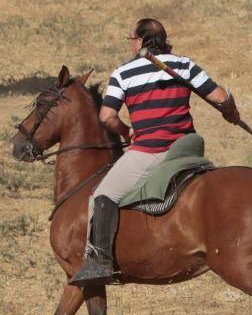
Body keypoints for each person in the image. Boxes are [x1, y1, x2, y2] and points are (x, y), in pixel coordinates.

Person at [69, 18, 241, 286]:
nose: (131, 43)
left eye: (131, 39)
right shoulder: (183, 64)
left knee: (102, 195)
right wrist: (231, 112)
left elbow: (106, 117)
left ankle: (99, 262)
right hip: (186, 149)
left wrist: (126, 133)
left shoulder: (124, 73)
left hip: (151, 151)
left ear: (139, 41)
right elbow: (220, 98)